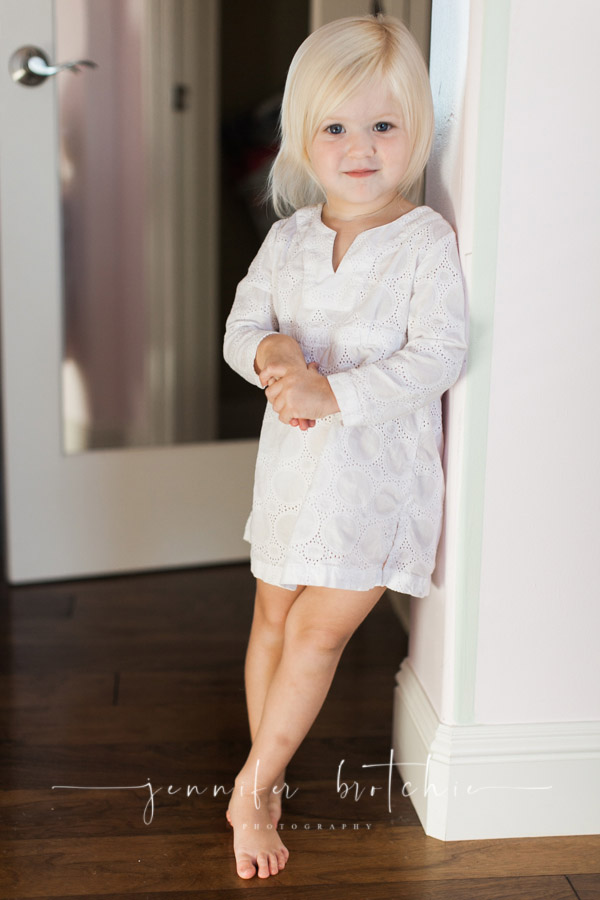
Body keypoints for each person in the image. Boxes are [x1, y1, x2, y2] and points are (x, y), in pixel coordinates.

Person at [222, 13, 468, 880]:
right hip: (293, 471)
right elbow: (244, 324)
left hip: (375, 479)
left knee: (321, 633)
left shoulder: (424, 240)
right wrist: (274, 353)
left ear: (416, 134)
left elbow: (441, 354)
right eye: (336, 127)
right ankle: (270, 768)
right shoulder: (288, 239)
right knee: (273, 620)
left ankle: (251, 786)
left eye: (383, 126)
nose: (360, 147)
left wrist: (339, 390)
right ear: (303, 137)